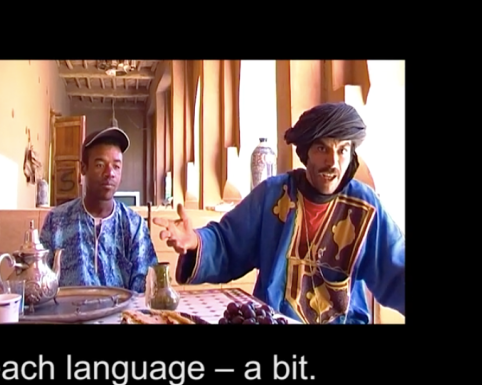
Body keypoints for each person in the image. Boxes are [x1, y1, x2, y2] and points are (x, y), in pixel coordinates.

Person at [153, 102, 404, 324]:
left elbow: (396, 267)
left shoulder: (364, 205)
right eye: (322, 149)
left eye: (342, 150)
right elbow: (227, 242)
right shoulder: (273, 194)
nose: (333, 162)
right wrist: (196, 241)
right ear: (306, 153)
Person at [39, 126, 158, 294]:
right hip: (69, 310)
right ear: (83, 168)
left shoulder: (134, 225)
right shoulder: (57, 221)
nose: (110, 173)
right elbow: (41, 283)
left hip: (122, 311)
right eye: (100, 165)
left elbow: (147, 289)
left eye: (116, 166)